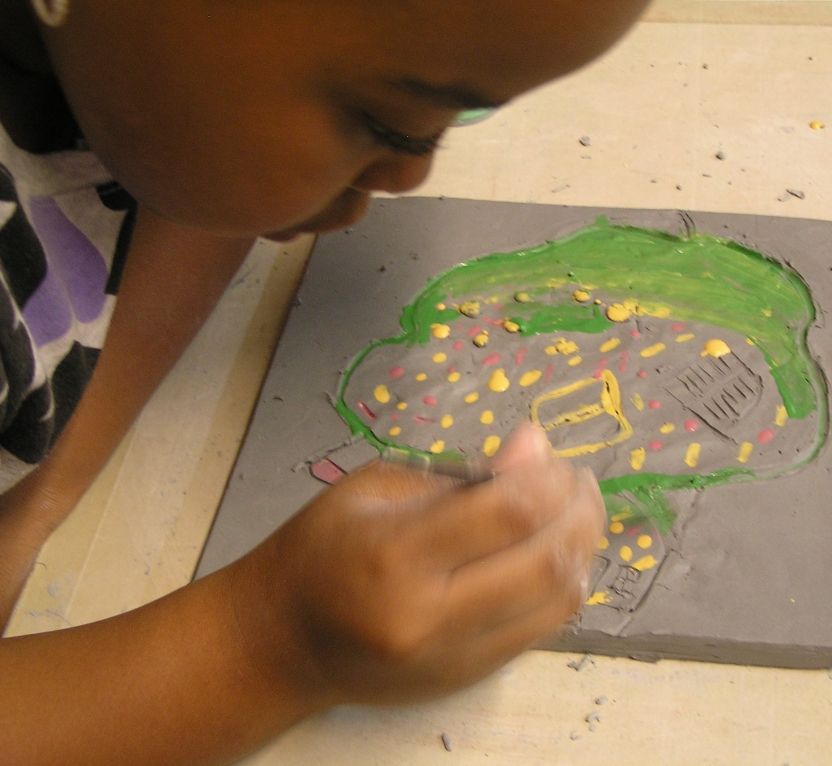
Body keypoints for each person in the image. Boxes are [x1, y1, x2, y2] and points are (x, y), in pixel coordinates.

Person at [0, 0, 650, 762]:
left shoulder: (139, 71)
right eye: (384, 121)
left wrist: (36, 495)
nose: (411, 176)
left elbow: (199, 163)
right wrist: (267, 644)